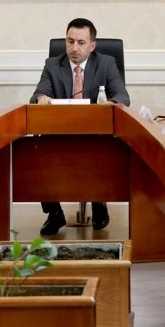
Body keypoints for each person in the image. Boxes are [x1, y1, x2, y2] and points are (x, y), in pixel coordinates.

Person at [30, 18, 130, 235]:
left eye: (81, 43)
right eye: (70, 41)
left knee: (102, 148)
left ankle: (99, 200)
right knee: (37, 150)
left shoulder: (106, 63)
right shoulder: (52, 64)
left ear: (92, 45)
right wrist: (41, 98)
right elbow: (38, 94)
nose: (74, 48)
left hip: (96, 133)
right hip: (61, 133)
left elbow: (122, 96)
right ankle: (54, 213)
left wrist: (109, 105)